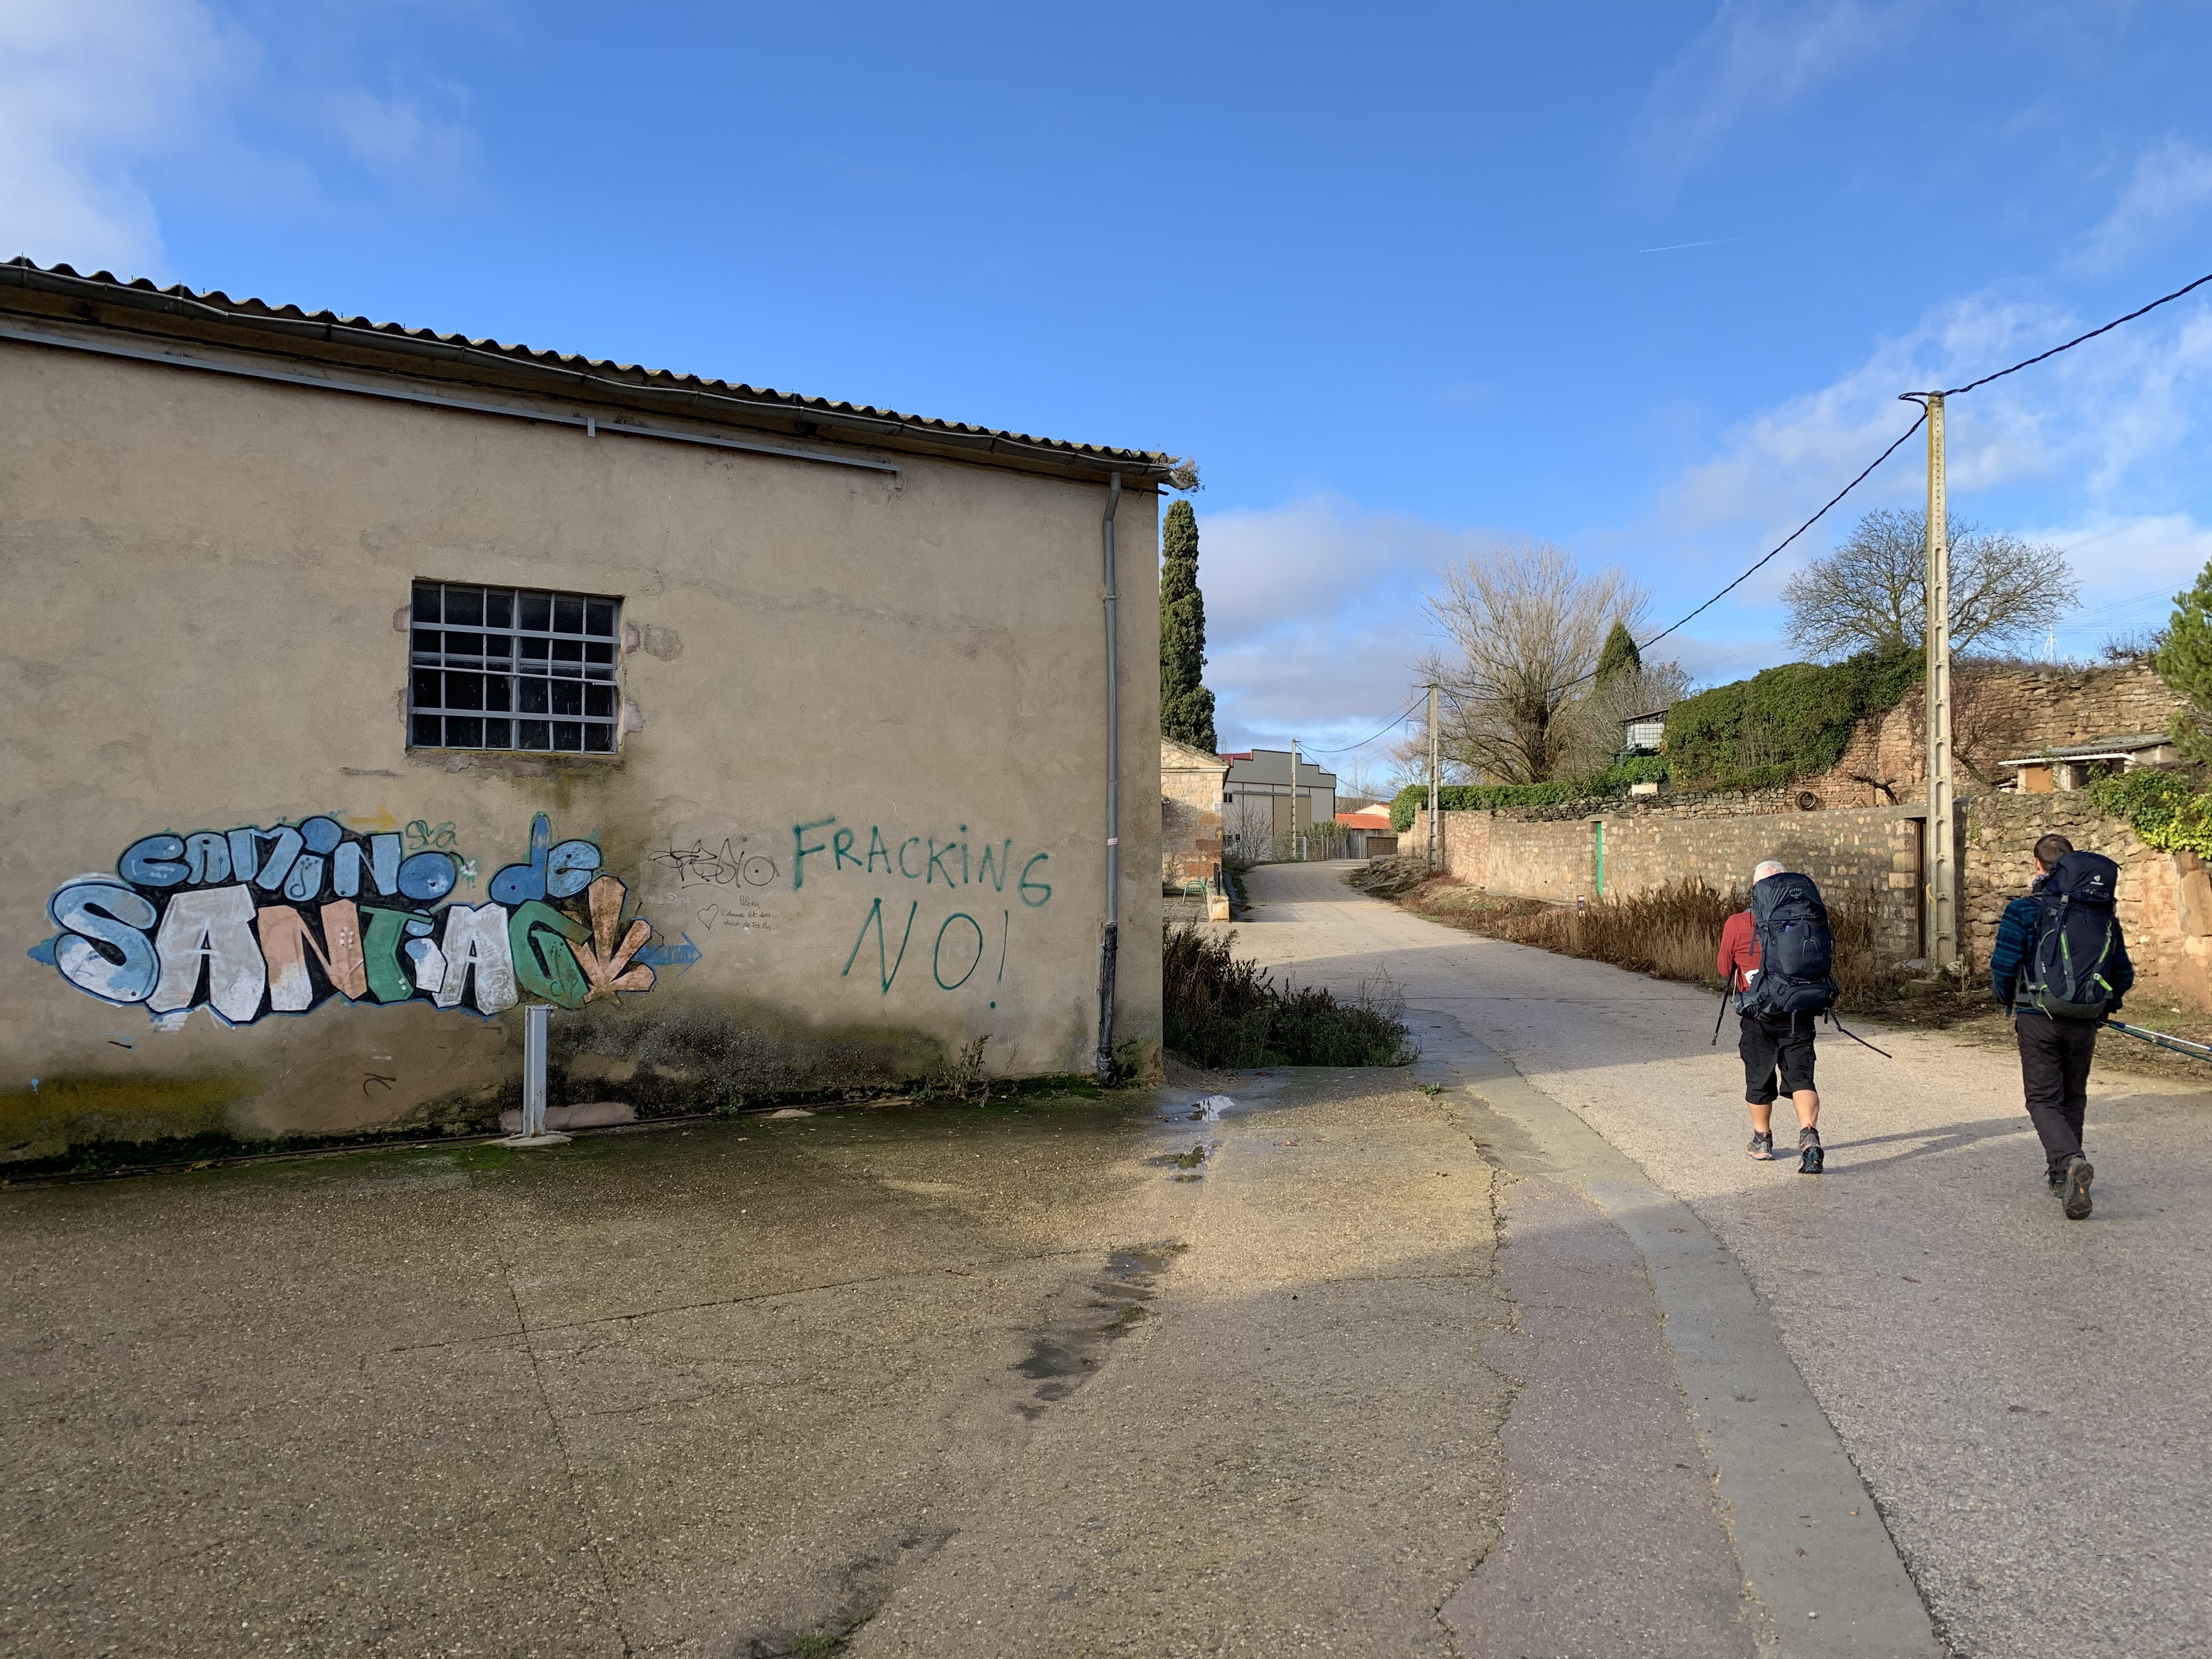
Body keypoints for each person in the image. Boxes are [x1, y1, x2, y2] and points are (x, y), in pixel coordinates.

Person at [1987, 833, 2134, 1220]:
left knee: (2042, 1099)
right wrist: (2105, 1008)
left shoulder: (2024, 910)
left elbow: (2004, 964)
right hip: (2084, 1020)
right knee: (2073, 1097)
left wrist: (2007, 1000)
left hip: (2038, 1016)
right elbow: (2122, 971)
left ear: (2038, 864)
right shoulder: (2100, 914)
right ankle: (2062, 1179)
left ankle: (2069, 1162)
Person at [1717, 859, 1823, 1173]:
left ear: (1755, 891)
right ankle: (1809, 1136)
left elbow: (1725, 969)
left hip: (1758, 1017)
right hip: (1799, 1011)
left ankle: (1762, 1141)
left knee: (1759, 1081)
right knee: (1802, 1077)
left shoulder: (1738, 923)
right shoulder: (1809, 919)